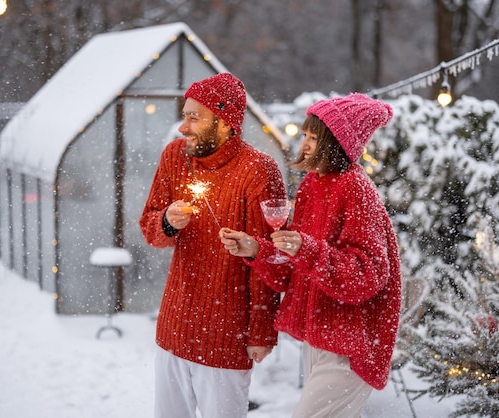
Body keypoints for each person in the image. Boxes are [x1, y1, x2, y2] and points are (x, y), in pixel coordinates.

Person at [219, 93, 402, 418]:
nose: (303, 144)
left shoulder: (356, 190)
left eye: (313, 137)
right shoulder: (313, 186)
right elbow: (294, 270)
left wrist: (307, 249)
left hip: (351, 344)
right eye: (304, 135)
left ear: (336, 142)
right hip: (321, 336)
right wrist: (257, 249)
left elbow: (367, 275)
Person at [139, 72, 286, 418]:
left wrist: (261, 331)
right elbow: (148, 227)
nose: (182, 127)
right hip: (174, 328)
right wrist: (166, 222)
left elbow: (272, 258)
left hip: (226, 336)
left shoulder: (259, 171)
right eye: (184, 115)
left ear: (224, 123)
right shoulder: (175, 157)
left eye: (194, 117)